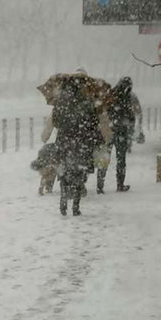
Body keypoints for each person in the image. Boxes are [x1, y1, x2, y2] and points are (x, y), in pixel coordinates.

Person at [53, 76, 103, 216]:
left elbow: (56, 122)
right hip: (82, 142)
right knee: (79, 172)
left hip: (64, 142)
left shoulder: (60, 103)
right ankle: (76, 206)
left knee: (65, 171)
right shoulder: (86, 102)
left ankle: (63, 195)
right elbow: (94, 123)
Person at [99, 76, 138, 192]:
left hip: (108, 132)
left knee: (104, 158)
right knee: (121, 160)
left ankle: (100, 186)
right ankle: (120, 184)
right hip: (121, 132)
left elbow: (102, 112)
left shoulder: (110, 95)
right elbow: (131, 117)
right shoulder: (127, 98)